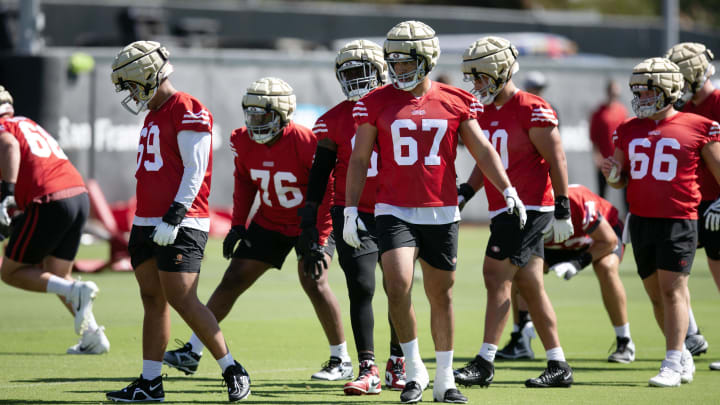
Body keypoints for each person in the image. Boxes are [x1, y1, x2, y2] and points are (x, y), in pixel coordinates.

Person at [345, 21, 526, 404]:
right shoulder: (374, 101)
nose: (398, 68)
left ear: (427, 60)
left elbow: (482, 150)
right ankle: (413, 371)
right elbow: (360, 160)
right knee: (398, 283)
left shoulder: (456, 100)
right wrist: (349, 210)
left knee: (440, 294)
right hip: (393, 208)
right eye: (392, 60)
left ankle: (444, 379)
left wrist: (507, 188)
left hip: (441, 210)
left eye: (406, 60)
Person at [163, 77, 352, 383]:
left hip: (310, 222)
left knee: (313, 280)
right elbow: (245, 183)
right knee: (233, 278)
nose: (255, 121)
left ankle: (340, 358)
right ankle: (193, 351)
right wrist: (238, 225)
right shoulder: (242, 139)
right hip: (271, 220)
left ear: (282, 114)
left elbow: (327, 190)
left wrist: (318, 236)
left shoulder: (306, 142)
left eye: (263, 115)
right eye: (251, 114)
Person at [106, 41, 250, 402]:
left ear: (149, 76)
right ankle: (150, 382)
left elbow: (196, 169)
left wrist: (175, 214)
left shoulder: (187, 108)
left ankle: (232, 369)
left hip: (181, 220)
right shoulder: (154, 112)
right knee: (152, 298)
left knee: (184, 299)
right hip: (146, 219)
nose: (130, 93)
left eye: (132, 84)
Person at [454, 36, 575, 389]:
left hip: (530, 206)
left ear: (500, 71)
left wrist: (563, 208)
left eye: (480, 77)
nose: (475, 86)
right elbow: (489, 163)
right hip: (505, 207)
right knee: (530, 285)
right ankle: (559, 365)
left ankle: (485, 361)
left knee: (495, 275)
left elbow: (557, 159)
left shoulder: (532, 107)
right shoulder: (485, 112)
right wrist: (467, 191)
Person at [601, 57, 720, 387]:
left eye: (648, 90)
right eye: (637, 90)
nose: (641, 97)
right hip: (641, 220)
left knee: (672, 290)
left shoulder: (698, 125)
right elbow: (620, 179)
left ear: (669, 90)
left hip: (678, 219)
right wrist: (612, 175)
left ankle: (670, 361)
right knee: (655, 294)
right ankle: (680, 353)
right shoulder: (627, 129)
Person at [300, 40, 407, 395]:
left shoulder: (399, 107)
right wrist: (308, 218)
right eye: (347, 73)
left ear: (379, 71)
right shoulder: (332, 119)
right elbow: (320, 173)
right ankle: (368, 366)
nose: (353, 79)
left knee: (398, 289)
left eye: (360, 71)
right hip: (353, 212)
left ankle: (398, 361)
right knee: (361, 287)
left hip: (396, 211)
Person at [0, 85, 109, 355]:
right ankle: (93, 336)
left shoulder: (5, 130)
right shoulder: (26, 123)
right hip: (78, 196)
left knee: (10, 272)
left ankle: (75, 289)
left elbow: (8, 145)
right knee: (57, 274)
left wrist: (8, 193)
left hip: (50, 200)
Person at [493, 184, 635, 364]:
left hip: (595, 239)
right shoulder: (526, 208)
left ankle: (625, 341)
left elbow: (609, 241)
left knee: (606, 267)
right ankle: (521, 336)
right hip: (555, 243)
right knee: (520, 268)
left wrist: (577, 263)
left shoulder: (578, 202)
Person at [666, 41, 718, 358]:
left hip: (716, 202)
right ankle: (692, 335)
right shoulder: (682, 108)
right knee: (668, 271)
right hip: (690, 203)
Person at [589, 79, 628, 199]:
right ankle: (601, 217)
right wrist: (597, 157)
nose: (614, 94)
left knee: (625, 194)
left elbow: (626, 135)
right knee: (602, 194)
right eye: (612, 91)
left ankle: (626, 217)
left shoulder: (622, 111)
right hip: (604, 160)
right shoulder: (599, 113)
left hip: (620, 160)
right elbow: (594, 137)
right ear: (607, 91)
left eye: (616, 92)